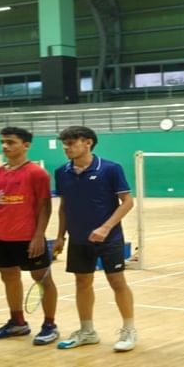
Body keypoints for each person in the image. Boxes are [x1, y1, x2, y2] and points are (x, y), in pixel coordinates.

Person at [52, 125, 137, 352]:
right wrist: (60, 236)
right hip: (78, 238)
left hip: (109, 238)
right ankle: (87, 331)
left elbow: (127, 202)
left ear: (88, 142)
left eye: (71, 143)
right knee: (82, 282)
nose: (66, 148)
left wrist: (106, 227)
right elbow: (64, 207)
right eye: (65, 144)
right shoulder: (62, 172)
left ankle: (129, 330)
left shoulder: (110, 169)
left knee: (117, 282)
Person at [0, 127, 59, 345]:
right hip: (2, 238)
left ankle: (50, 324)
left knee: (42, 279)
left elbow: (45, 207)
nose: (5, 146)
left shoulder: (36, 173)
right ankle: (17, 322)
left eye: (11, 142)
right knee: (9, 278)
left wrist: (39, 236)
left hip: (28, 238)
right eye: (3, 142)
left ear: (26, 145)